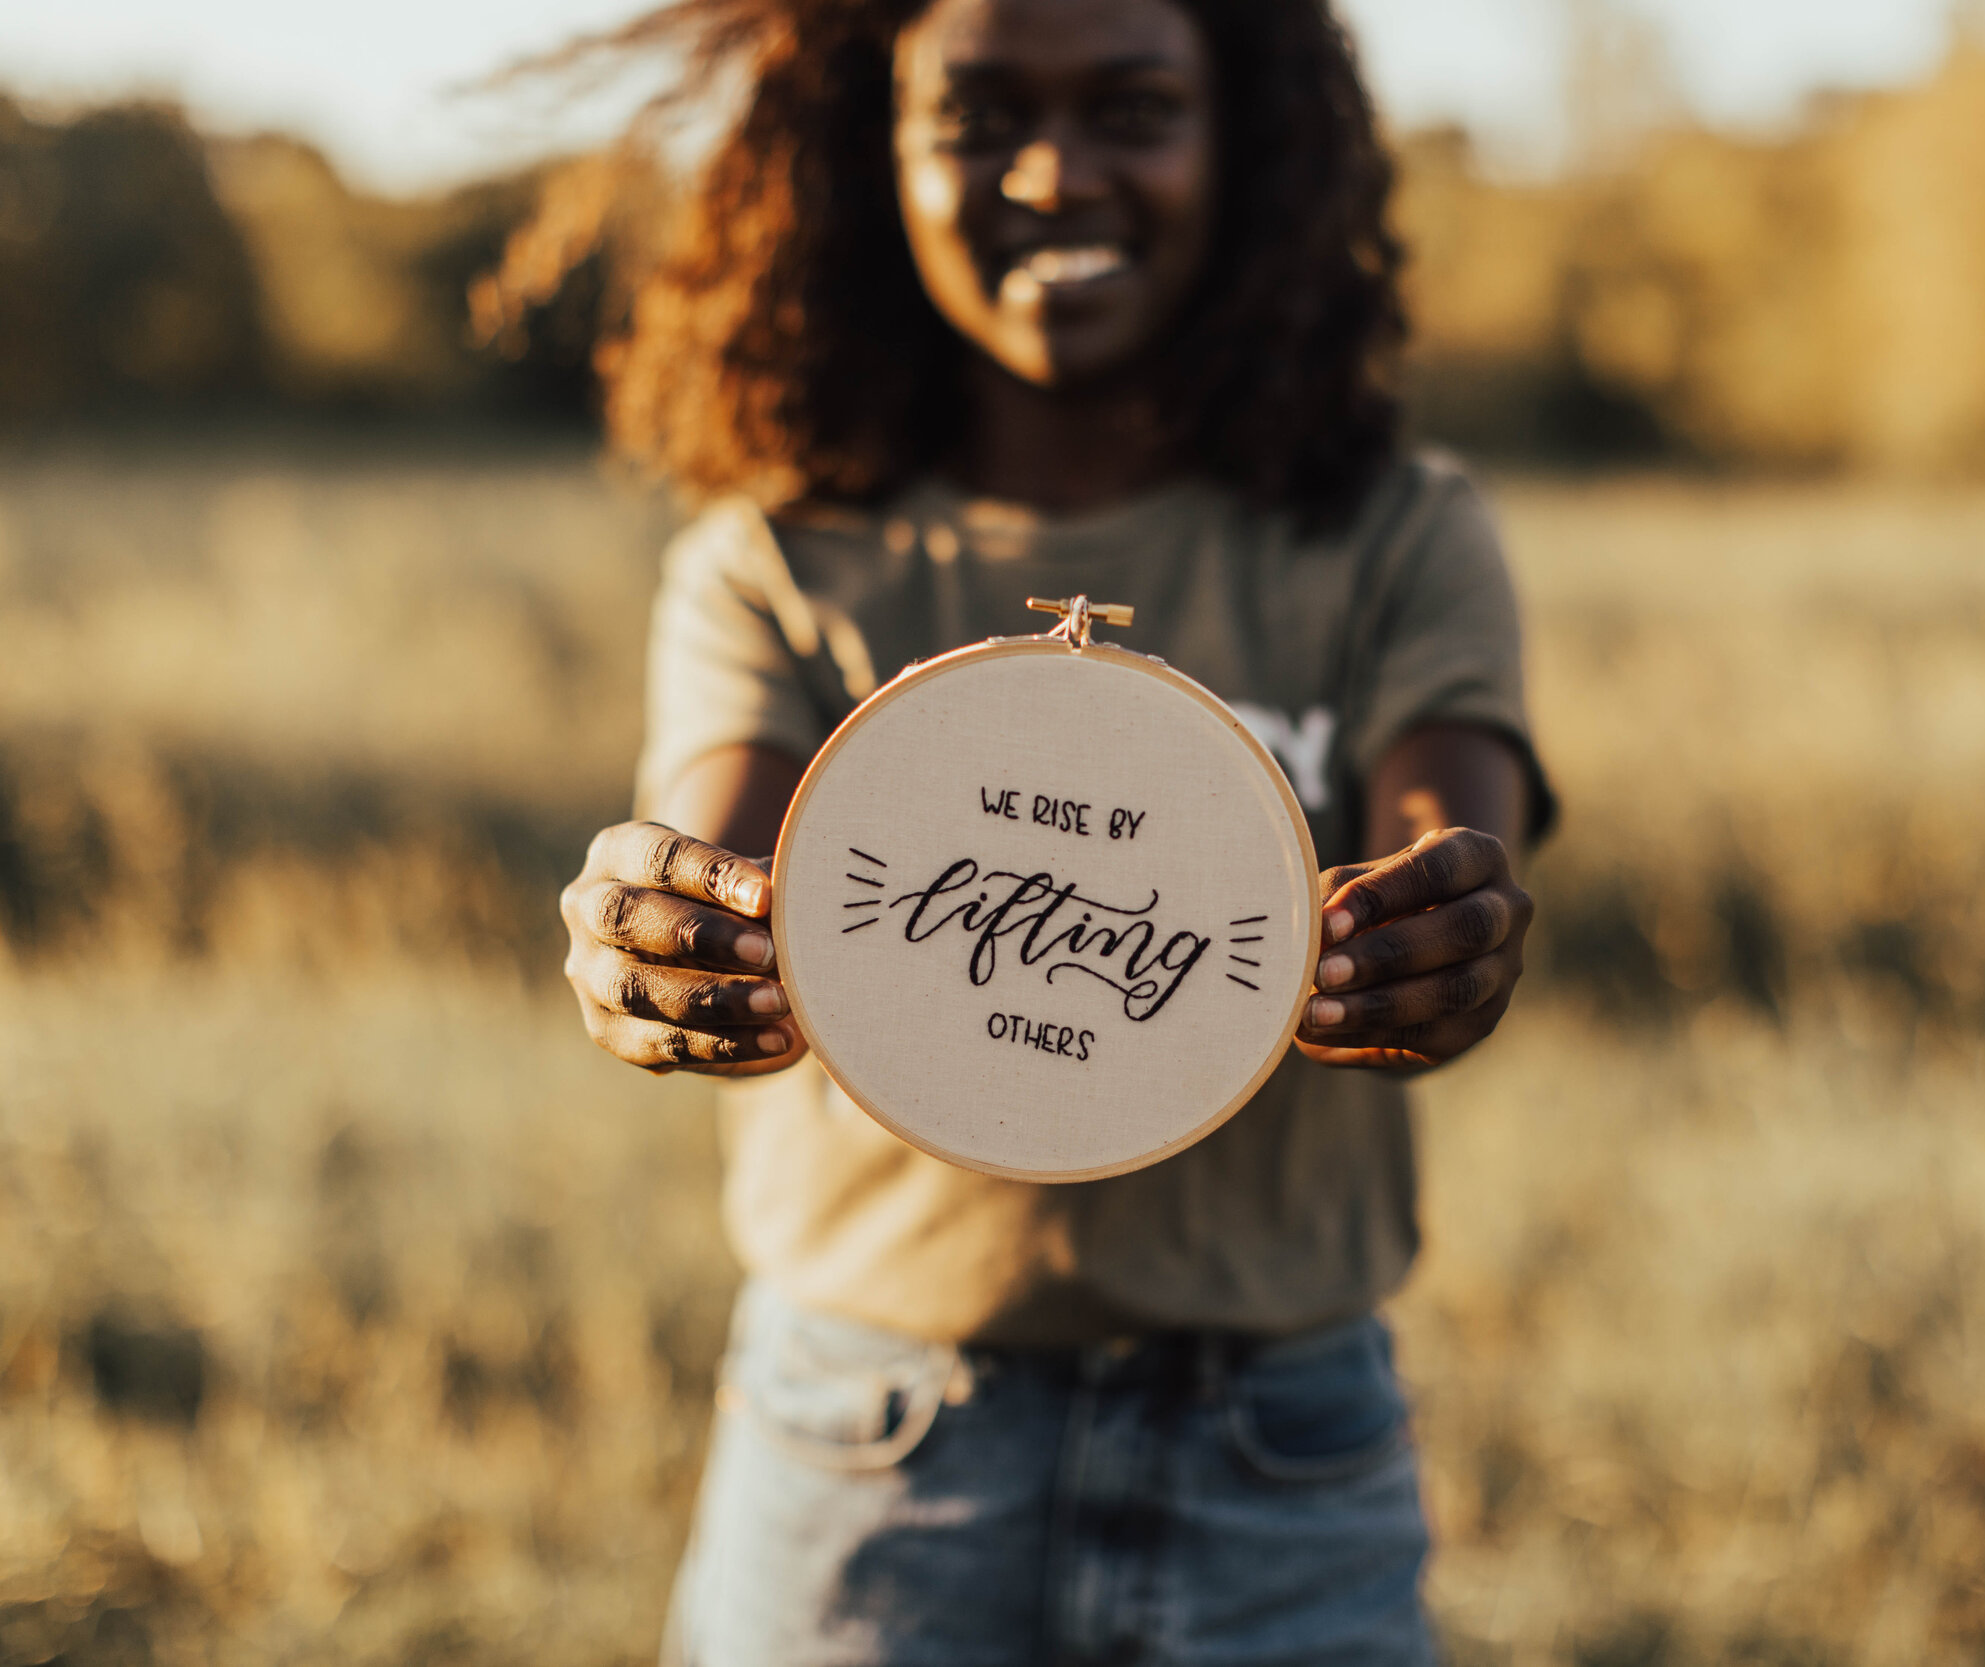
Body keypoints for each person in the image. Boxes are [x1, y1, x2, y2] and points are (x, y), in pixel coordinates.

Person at [548, 0, 1556, 1656]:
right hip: (868, 1445)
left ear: (1250, 137)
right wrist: (660, 940)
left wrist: (1441, 947)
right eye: (980, 114)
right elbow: (706, 855)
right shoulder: (781, 558)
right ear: (871, 156)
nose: (1054, 171)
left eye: (1134, 106)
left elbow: (1455, 860)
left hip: (1286, 1454)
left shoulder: (1394, 534)